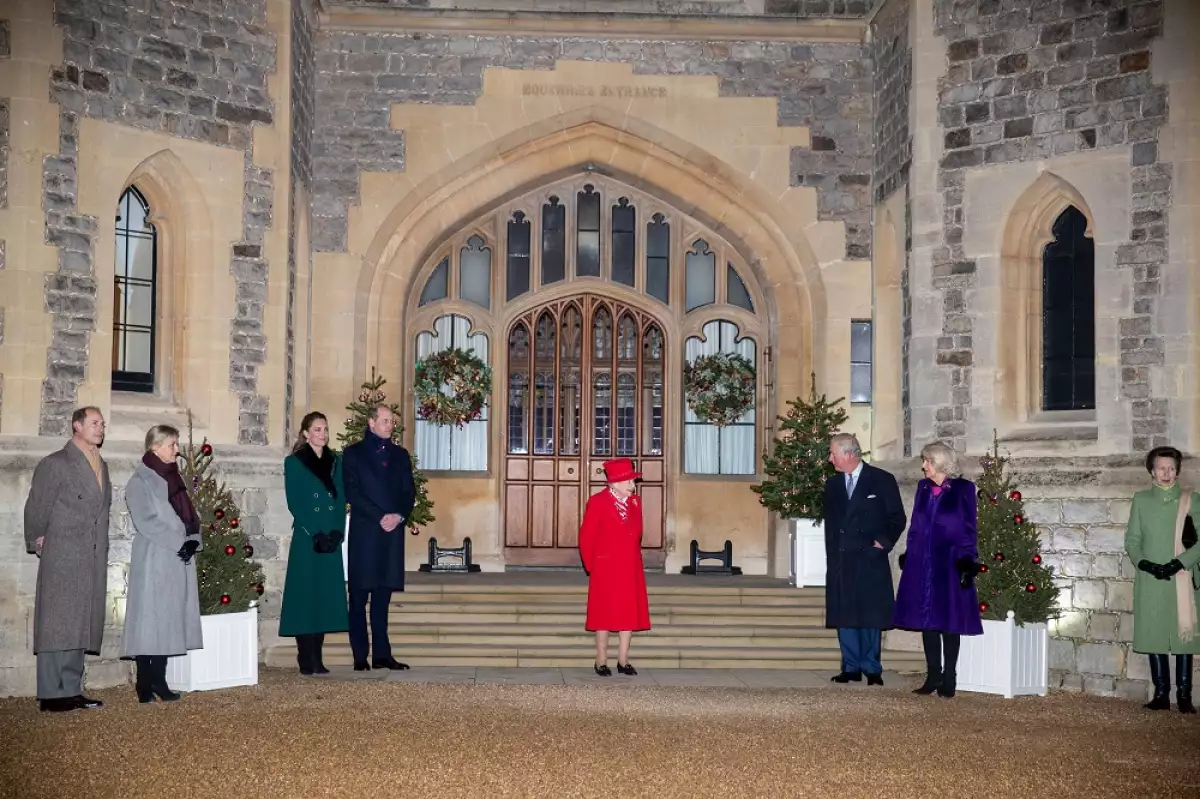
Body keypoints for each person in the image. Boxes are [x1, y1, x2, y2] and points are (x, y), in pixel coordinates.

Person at [23, 406, 112, 712]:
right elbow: (37, 506)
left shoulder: (103, 465)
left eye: (102, 424)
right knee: (56, 622)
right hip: (62, 551)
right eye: (94, 423)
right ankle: (51, 693)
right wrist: (37, 539)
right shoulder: (55, 464)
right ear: (77, 426)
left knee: (81, 621)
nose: (100, 428)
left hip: (91, 555)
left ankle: (71, 689)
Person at [892, 442, 983, 699]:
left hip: (950, 560)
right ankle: (933, 675)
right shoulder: (922, 487)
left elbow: (968, 528)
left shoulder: (964, 489)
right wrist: (910, 553)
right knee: (927, 619)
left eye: (927, 461)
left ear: (939, 462)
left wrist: (967, 561)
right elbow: (916, 526)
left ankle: (949, 679)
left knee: (948, 621)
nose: (923, 466)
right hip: (923, 560)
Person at [121, 425, 204, 703]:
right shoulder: (140, 481)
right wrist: (178, 542)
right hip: (155, 558)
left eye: (176, 444)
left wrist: (193, 540)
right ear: (155, 447)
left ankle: (160, 680)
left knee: (169, 620)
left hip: (177, 559)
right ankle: (145, 683)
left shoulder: (174, 478)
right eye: (172, 444)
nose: (177, 449)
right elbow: (146, 521)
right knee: (151, 622)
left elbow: (189, 516)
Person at [823, 432, 906, 686]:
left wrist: (881, 543)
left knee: (870, 614)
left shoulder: (881, 480)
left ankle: (872, 667)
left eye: (832, 453)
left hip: (869, 557)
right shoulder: (833, 485)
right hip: (842, 559)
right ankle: (850, 667)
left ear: (848, 454)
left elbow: (897, 518)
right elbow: (831, 526)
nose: (829, 459)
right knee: (845, 614)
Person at [1125, 445, 1200, 714]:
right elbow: (1132, 540)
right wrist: (1144, 563)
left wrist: (1180, 563)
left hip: (1182, 576)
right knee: (1154, 631)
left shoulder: (1192, 500)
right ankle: (1160, 693)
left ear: (1177, 471)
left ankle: (1183, 696)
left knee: (1183, 637)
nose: (1166, 473)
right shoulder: (1141, 500)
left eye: (1171, 468)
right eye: (1161, 468)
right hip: (1151, 577)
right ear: (1152, 471)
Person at [342, 405, 416, 671]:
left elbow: (409, 492)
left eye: (392, 421)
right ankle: (360, 655)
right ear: (371, 423)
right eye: (385, 421)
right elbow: (352, 492)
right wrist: (380, 517)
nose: (390, 425)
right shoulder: (353, 454)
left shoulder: (400, 455)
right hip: (366, 532)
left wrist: (398, 516)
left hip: (391, 534)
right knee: (359, 597)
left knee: (383, 597)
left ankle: (383, 654)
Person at [279, 411, 350, 675]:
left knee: (323, 596)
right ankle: (304, 656)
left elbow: (341, 499)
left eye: (325, 429)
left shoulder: (336, 461)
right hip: (308, 538)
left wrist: (337, 532)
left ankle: (318, 657)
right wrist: (316, 533)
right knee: (305, 595)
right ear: (306, 433)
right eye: (317, 429)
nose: (323, 434)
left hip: (330, 538)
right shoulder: (294, 462)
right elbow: (295, 503)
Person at [579, 458, 651, 676]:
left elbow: (637, 533)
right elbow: (586, 537)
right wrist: (592, 566)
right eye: (629, 481)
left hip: (629, 566)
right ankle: (601, 661)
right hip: (605, 567)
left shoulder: (635, 502)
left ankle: (623, 660)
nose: (633, 485)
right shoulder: (597, 502)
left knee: (628, 613)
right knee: (603, 614)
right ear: (615, 483)